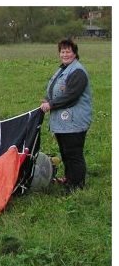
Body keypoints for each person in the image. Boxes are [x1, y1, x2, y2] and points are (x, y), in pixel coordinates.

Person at [40, 38, 92, 192]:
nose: (65, 54)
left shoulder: (78, 72)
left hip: (74, 122)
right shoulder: (64, 69)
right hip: (64, 122)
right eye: (62, 52)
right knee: (66, 152)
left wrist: (51, 104)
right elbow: (57, 89)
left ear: (75, 53)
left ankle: (77, 185)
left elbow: (71, 96)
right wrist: (48, 99)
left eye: (68, 51)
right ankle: (70, 179)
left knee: (74, 154)